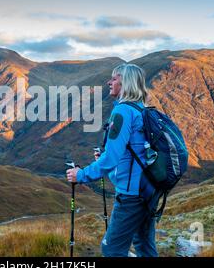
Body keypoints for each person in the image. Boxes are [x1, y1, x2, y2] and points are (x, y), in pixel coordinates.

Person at [66, 63, 159, 257]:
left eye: (114, 78)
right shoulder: (141, 110)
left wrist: (81, 175)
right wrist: (107, 159)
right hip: (148, 190)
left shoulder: (123, 111)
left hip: (131, 195)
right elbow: (132, 153)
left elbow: (112, 158)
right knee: (144, 245)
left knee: (112, 249)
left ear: (125, 83)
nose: (110, 82)